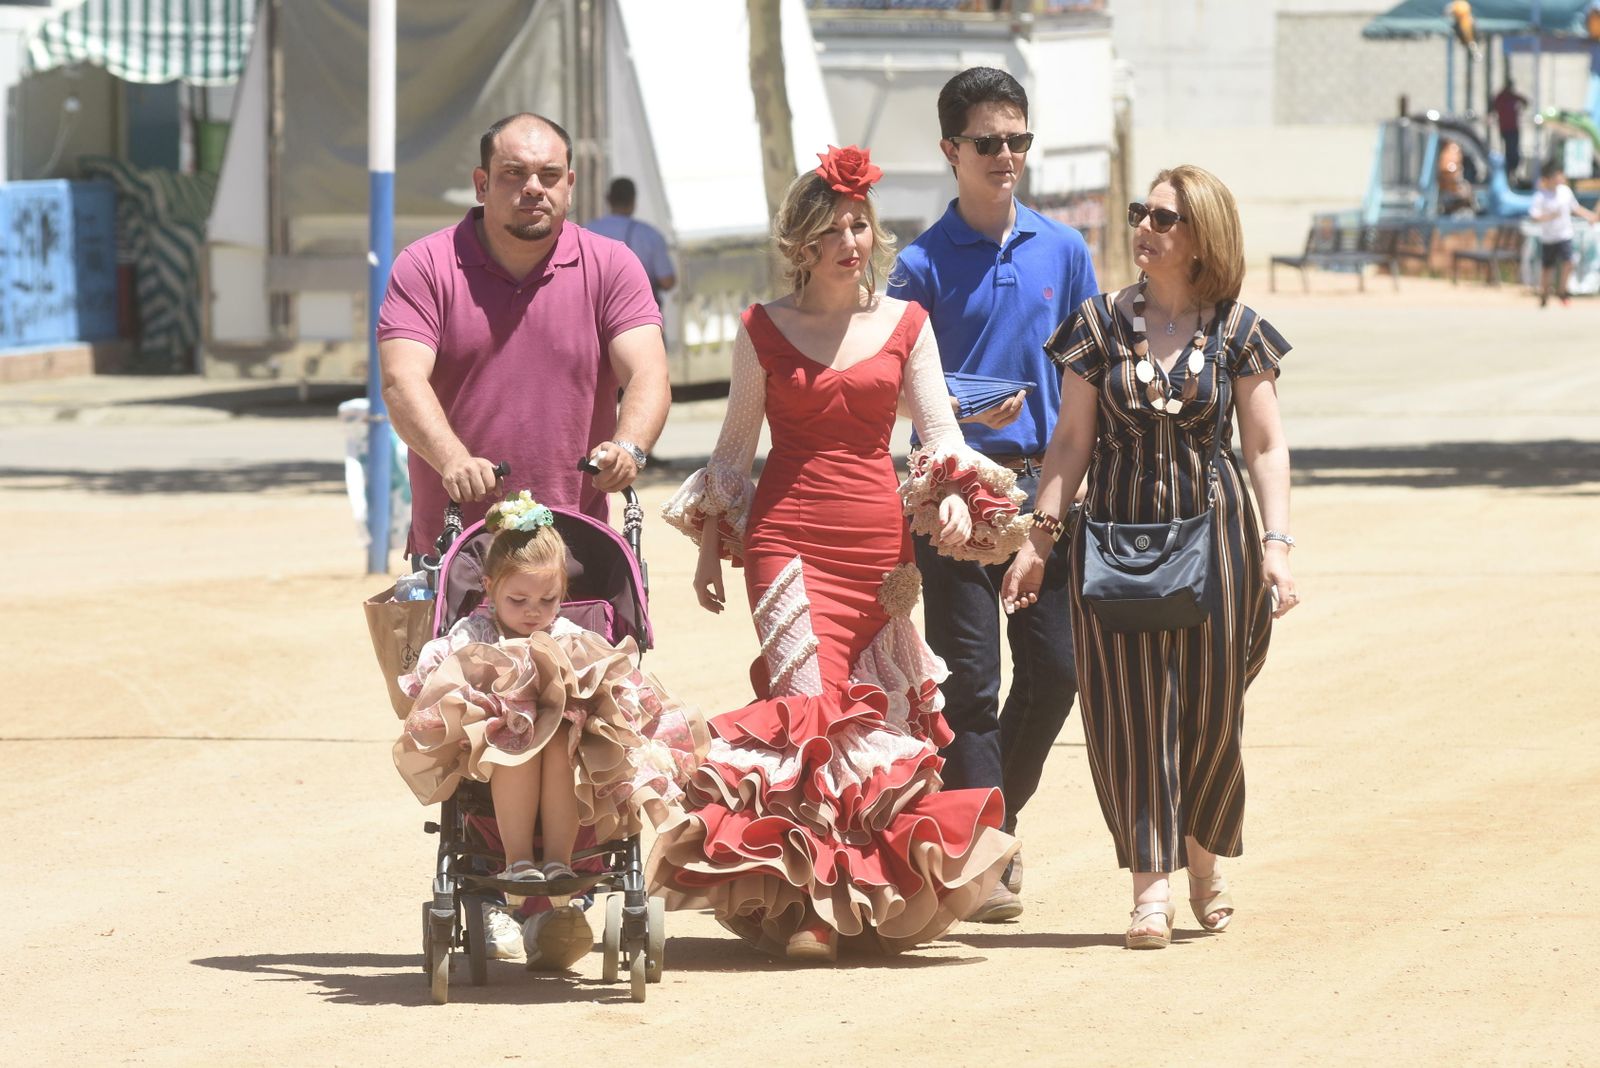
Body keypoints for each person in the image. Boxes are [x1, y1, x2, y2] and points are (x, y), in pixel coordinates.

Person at [651, 146, 1022, 962]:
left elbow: (939, 435)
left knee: (876, 713)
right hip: (785, 542)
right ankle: (815, 907)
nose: (851, 241)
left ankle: (865, 895)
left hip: (879, 549)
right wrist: (713, 548)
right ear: (803, 244)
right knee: (811, 708)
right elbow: (733, 451)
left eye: (860, 226)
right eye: (834, 230)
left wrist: (956, 495)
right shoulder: (761, 329)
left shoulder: (905, 325)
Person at [1000, 165, 1300, 950]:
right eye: (1141, 213)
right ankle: (1150, 887)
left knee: (1210, 708)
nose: (1145, 228)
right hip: (1117, 539)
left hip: (1221, 539)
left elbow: (1266, 445)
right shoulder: (1096, 327)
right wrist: (1039, 540)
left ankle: (1202, 853)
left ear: (1202, 236)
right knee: (1126, 710)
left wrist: (1277, 545)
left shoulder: (1237, 330)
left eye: (1164, 219)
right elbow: (1070, 441)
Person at [888, 66, 1099, 922]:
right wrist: (970, 406)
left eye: (1018, 139)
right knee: (970, 685)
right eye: (987, 142)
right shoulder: (918, 265)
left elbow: (1091, 375)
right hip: (950, 499)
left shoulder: (1066, 250)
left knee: (1056, 672)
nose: (1005, 155)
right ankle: (986, 857)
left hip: (1047, 497)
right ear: (951, 151)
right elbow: (892, 380)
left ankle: (985, 822)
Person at [394, 491, 709, 969]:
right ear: (488, 587)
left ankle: (560, 862)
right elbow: (435, 672)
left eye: (548, 599)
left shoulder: (571, 636)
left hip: (567, 747)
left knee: (565, 730)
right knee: (514, 738)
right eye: (517, 600)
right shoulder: (472, 635)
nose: (533, 611)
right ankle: (518, 859)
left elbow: (611, 675)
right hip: (493, 747)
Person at [378, 113, 671, 558]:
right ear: (482, 183)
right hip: (456, 543)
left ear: (569, 185)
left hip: (576, 545)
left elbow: (648, 373)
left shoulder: (613, 265)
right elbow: (402, 382)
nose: (533, 187)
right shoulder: (425, 266)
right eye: (513, 174)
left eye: (549, 175)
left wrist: (629, 447)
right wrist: (452, 460)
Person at [585, 177, 677, 310]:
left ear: (608, 199)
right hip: (640, 318)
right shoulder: (650, 235)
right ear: (633, 201)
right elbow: (667, 282)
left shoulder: (587, 231)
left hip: (597, 317)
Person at [1529, 159, 1599, 308]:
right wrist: (1549, 216)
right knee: (1547, 268)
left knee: (1569, 262)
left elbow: (1576, 208)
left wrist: (1591, 216)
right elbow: (1534, 217)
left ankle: (1562, 291)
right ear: (1548, 178)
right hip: (1549, 237)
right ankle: (1544, 294)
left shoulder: (1565, 192)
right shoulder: (1541, 196)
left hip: (1564, 235)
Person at [1492, 81, 1529, 178]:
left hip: (1513, 129)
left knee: (1513, 151)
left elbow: (1525, 102)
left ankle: (1512, 171)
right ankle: (1508, 171)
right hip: (1505, 128)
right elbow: (1492, 107)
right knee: (1509, 152)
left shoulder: (1513, 97)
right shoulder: (1500, 97)